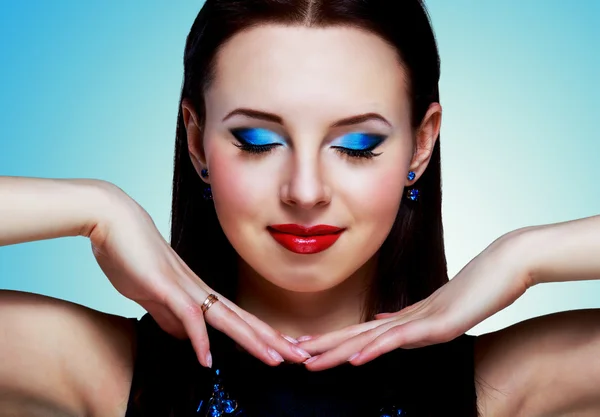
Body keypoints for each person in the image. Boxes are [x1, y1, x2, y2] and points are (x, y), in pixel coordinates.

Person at [1, 0, 599, 416]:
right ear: (195, 140)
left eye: (358, 144)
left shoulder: (507, 386)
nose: (305, 190)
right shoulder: (99, 373)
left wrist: (525, 257)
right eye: (257, 142)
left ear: (422, 143)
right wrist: (97, 210)